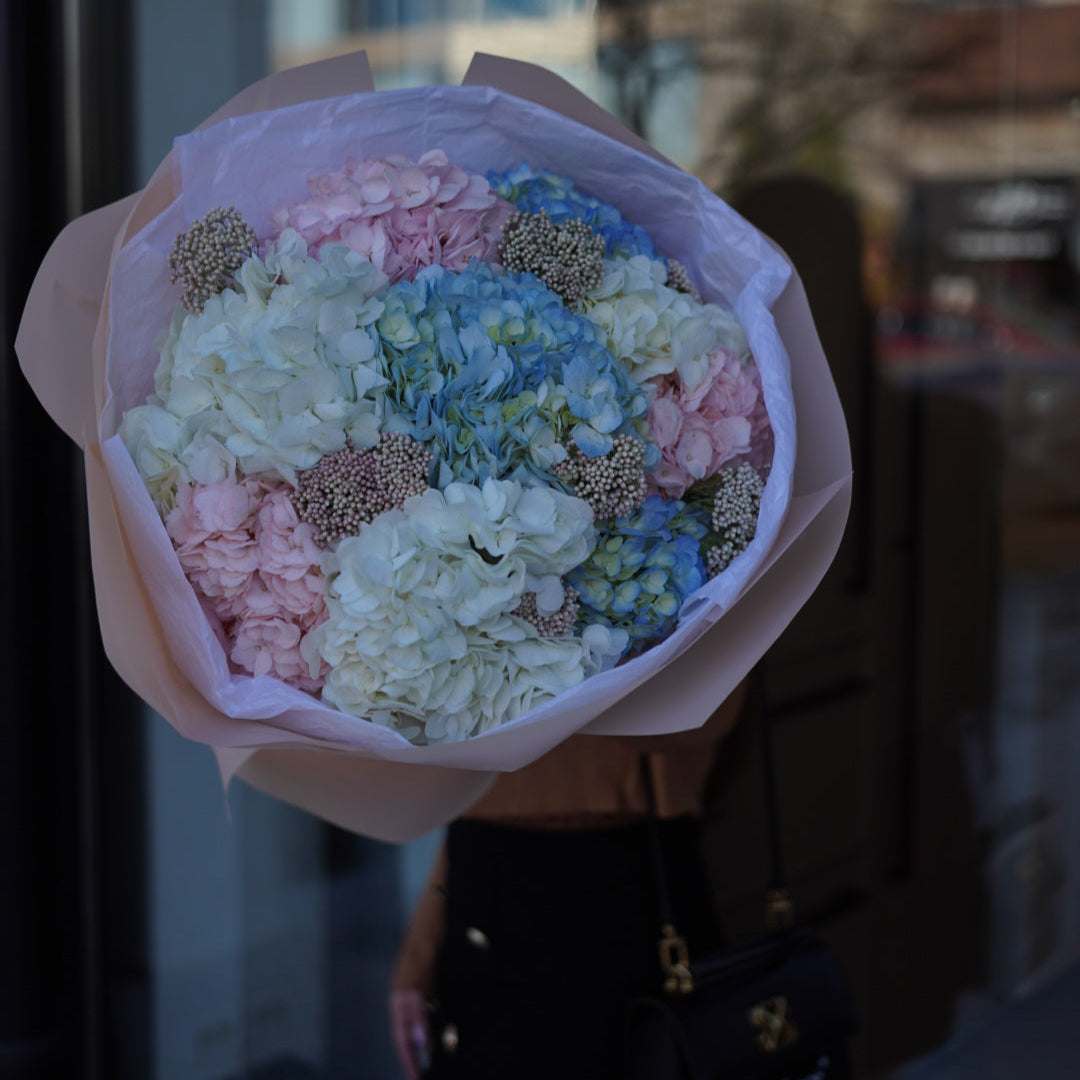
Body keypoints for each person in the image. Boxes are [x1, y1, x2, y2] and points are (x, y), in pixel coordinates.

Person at [387, 681, 747, 1080]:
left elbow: (709, 721)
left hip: (632, 890)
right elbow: (473, 817)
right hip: (493, 899)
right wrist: (420, 956)